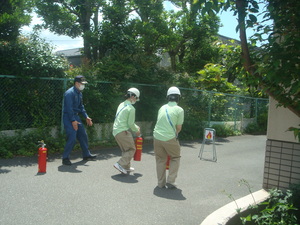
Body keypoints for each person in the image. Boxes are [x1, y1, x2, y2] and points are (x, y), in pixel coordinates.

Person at [153, 86, 184, 189]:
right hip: (169, 137)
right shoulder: (179, 110)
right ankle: (171, 180)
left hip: (157, 137)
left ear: (168, 97)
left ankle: (160, 183)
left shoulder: (162, 107)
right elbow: (178, 128)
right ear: (178, 97)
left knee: (160, 159)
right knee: (175, 157)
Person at [62, 75, 96, 165]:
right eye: (82, 84)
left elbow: (81, 107)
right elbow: (69, 109)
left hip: (76, 117)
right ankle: (65, 158)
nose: (83, 85)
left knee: (83, 135)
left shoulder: (79, 93)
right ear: (77, 83)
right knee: (72, 137)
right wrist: (73, 121)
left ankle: (86, 154)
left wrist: (86, 117)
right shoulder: (69, 93)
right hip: (69, 117)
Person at [113, 88, 141, 174]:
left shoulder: (121, 104)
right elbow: (131, 124)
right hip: (123, 131)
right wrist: (137, 129)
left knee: (126, 150)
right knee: (131, 149)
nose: (136, 100)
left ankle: (126, 167)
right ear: (133, 96)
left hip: (116, 131)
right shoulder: (131, 108)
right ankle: (120, 164)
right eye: (136, 98)